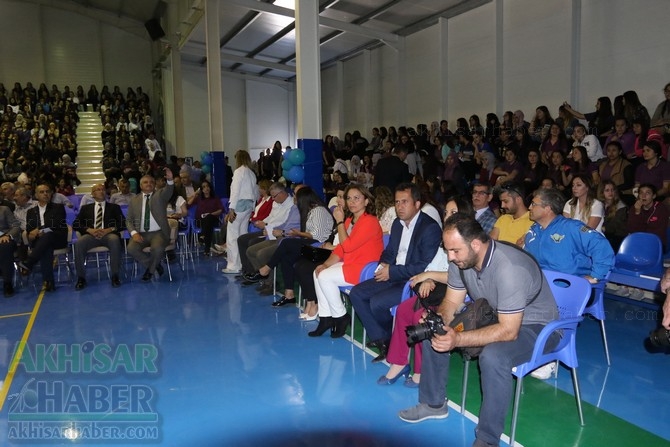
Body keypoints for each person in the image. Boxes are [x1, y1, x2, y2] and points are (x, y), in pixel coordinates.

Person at [398, 213, 559, 447]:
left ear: (475, 244)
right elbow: (452, 303)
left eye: (455, 251)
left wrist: (458, 339)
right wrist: (439, 319)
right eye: (448, 251)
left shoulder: (509, 267)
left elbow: (509, 331)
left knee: (494, 356)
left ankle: (487, 438)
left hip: (540, 326)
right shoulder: (461, 260)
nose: (450, 258)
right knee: (432, 330)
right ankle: (433, 404)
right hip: (498, 315)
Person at [380, 196, 473, 387]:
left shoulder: (471, 242)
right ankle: (399, 362)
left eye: (453, 212)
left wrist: (430, 275)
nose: (447, 216)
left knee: (421, 319)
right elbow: (433, 266)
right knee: (404, 310)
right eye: (446, 212)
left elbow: (461, 276)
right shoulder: (444, 238)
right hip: (437, 289)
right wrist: (428, 278)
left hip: (459, 296)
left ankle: (422, 371)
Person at [348, 183, 442, 360]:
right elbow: (390, 251)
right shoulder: (398, 224)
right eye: (397, 202)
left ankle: (390, 339)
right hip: (392, 274)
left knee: (377, 303)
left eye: (405, 202)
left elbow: (423, 266)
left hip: (412, 281)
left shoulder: (429, 228)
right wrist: (384, 264)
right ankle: (383, 339)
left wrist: (392, 272)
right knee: (357, 293)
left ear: (417, 204)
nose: (399, 206)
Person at [309, 184, 384, 337]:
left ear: (366, 201)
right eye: (349, 198)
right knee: (318, 272)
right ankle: (325, 317)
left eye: (357, 198)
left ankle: (341, 317)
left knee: (324, 276)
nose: (352, 202)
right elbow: (340, 250)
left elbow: (347, 246)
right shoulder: (350, 220)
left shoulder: (370, 221)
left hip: (364, 269)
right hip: (351, 263)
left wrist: (340, 222)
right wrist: (324, 264)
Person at [256, 185, 334, 300]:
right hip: (311, 243)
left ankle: (267, 268)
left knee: (287, 243)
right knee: (286, 256)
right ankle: (289, 294)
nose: (295, 201)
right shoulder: (311, 211)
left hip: (319, 246)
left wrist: (298, 234)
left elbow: (318, 236)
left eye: (296, 199)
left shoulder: (318, 211)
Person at [72, 184, 125, 290]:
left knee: (114, 240)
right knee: (79, 243)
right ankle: (81, 278)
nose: (101, 191)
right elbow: (76, 224)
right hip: (91, 235)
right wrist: (89, 230)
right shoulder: (85, 208)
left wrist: (109, 229)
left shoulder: (114, 207)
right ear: (92, 194)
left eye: (103, 189)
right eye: (98, 190)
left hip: (108, 235)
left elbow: (123, 223)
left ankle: (115, 275)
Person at [18, 184, 69, 292]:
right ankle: (48, 282)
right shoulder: (31, 211)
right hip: (41, 242)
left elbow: (56, 224)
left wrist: (40, 230)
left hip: (57, 238)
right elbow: (29, 228)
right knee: (46, 247)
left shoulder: (58, 207)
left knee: (48, 236)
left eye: (47, 191)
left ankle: (29, 262)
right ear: (36, 195)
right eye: (42, 192)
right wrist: (31, 233)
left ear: (51, 194)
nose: (45, 194)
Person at [125, 169, 174, 282]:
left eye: (151, 182)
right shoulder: (134, 200)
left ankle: (150, 271)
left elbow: (169, 190)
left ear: (155, 184)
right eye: (145, 182)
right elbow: (128, 220)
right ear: (140, 185)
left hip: (158, 233)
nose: (149, 184)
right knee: (131, 248)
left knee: (157, 248)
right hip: (140, 233)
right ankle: (156, 266)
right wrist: (134, 233)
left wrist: (170, 180)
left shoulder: (160, 195)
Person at [221, 150, 258, 274]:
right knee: (243, 235)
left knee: (232, 236)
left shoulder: (238, 172)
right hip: (248, 206)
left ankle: (233, 265)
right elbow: (255, 192)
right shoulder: (251, 173)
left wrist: (231, 208)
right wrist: (253, 208)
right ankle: (243, 263)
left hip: (239, 206)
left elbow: (235, 191)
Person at [627, 183, 670, 250]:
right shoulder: (634, 208)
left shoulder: (661, 209)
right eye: (641, 193)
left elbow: (658, 232)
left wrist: (641, 234)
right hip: (638, 242)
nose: (643, 196)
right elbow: (631, 230)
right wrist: (637, 212)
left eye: (647, 193)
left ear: (654, 196)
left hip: (656, 243)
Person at [187, 180, 223, 256]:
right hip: (200, 221)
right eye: (203, 187)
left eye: (207, 186)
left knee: (208, 219)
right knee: (208, 226)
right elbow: (188, 204)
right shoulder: (199, 198)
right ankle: (207, 248)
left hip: (213, 219)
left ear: (210, 187)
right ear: (201, 189)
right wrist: (195, 195)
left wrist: (210, 214)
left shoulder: (215, 198)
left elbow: (220, 210)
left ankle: (202, 236)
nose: (206, 188)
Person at [598, 180, 629, 252]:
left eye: (612, 190)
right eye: (607, 190)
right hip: (605, 235)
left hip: (618, 238)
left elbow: (612, 228)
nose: (610, 192)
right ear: (602, 192)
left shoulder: (621, 207)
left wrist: (597, 228)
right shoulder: (600, 204)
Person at [0, 204, 21, 297]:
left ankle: (7, 282)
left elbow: (16, 226)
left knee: (5, 247)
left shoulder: (4, 209)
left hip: (5, 237)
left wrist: (8, 235)